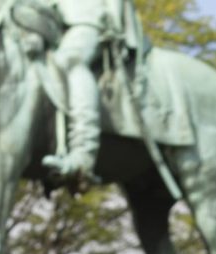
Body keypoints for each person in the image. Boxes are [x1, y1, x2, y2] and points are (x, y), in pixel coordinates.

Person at [35, 0, 149, 183]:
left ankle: (84, 152)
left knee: (72, 60)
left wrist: (113, 19)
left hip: (86, 16)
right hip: (45, 17)